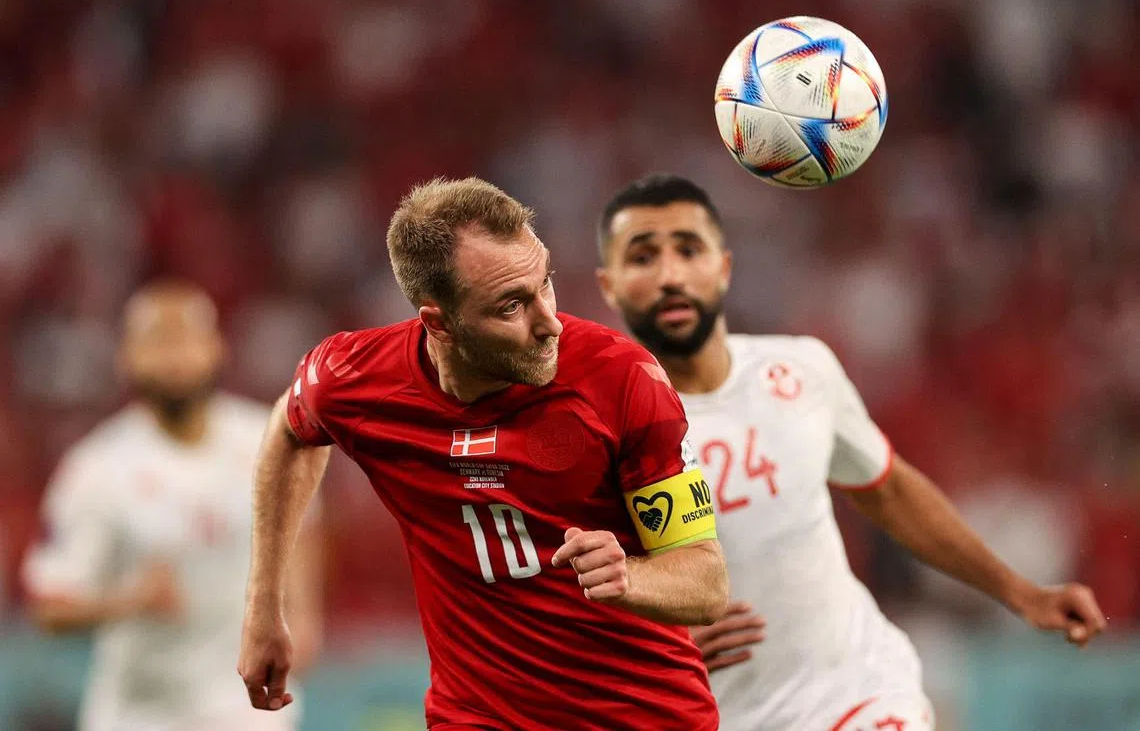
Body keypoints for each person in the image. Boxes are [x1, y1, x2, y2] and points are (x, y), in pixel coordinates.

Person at [594, 174, 1108, 731]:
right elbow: (558, 596)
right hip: (719, 716)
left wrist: (1021, 593)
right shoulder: (598, 430)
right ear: (609, 285)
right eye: (643, 257)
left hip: (857, 693)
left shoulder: (801, 369)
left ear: (724, 265)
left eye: (688, 249)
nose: (670, 275)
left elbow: (888, 490)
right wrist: (653, 643)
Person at [237, 177, 729, 731]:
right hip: (476, 718)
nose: (549, 322)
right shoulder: (356, 380)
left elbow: (706, 583)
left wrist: (630, 578)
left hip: (642, 718)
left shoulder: (622, 379)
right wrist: (264, 607)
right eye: (511, 306)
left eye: (545, 284)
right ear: (438, 323)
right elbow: (291, 429)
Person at [22, 281, 323, 731]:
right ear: (127, 358)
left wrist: (304, 614)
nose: (175, 357)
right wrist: (130, 600)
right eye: (158, 343)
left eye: (186, 339)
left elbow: (306, 522)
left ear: (216, 348)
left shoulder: (266, 439)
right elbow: (48, 604)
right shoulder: (96, 469)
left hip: (246, 707)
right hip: (141, 712)